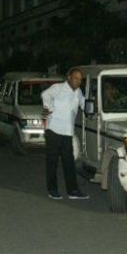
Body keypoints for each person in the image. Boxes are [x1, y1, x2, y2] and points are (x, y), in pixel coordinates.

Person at [41, 67, 87, 200]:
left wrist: (93, 108)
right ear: (69, 77)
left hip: (67, 132)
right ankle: (53, 190)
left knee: (69, 163)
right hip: (53, 131)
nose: (78, 81)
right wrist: (49, 107)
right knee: (52, 162)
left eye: (80, 79)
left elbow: (84, 105)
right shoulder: (58, 88)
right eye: (76, 78)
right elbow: (45, 95)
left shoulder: (78, 92)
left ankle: (73, 191)